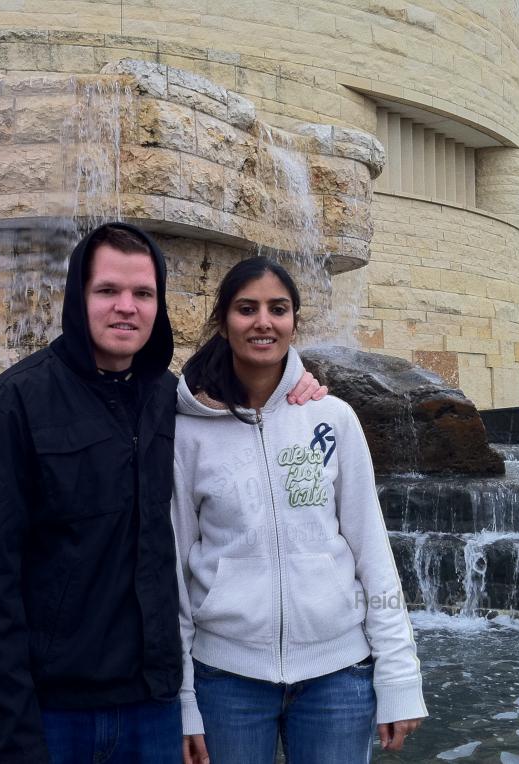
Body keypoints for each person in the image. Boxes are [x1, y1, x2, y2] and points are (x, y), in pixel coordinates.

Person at [0, 224, 325, 763]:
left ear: (159, 304)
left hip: (154, 711)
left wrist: (303, 385)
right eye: (108, 291)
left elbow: (253, 389)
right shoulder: (13, 405)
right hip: (56, 714)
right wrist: (12, 742)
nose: (125, 307)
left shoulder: (170, 398)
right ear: (78, 298)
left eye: (143, 294)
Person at [171, 256, 427, 764]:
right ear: (223, 322)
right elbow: (171, 570)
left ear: (294, 321)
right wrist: (182, 698)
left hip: (340, 676)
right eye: (247, 309)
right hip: (225, 681)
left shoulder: (332, 417)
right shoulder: (187, 433)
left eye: (278, 309)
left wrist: (399, 675)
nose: (263, 321)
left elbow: (371, 550)